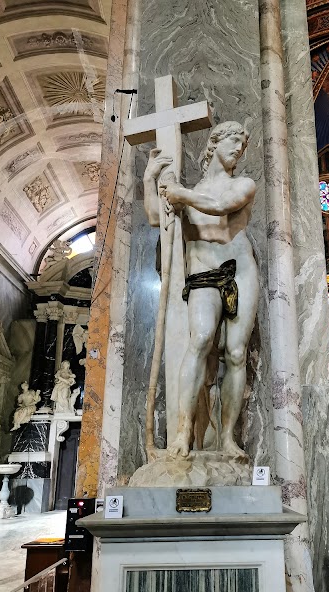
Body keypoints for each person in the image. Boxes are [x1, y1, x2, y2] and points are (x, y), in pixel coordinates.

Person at [143, 121, 258, 460]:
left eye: (243, 144)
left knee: (236, 353)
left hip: (240, 269)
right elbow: (155, 216)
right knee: (201, 339)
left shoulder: (243, 184)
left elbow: (221, 205)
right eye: (233, 141)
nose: (238, 148)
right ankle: (183, 433)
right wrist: (150, 179)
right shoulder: (187, 191)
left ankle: (227, 439)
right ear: (214, 143)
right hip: (203, 270)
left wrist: (182, 195)